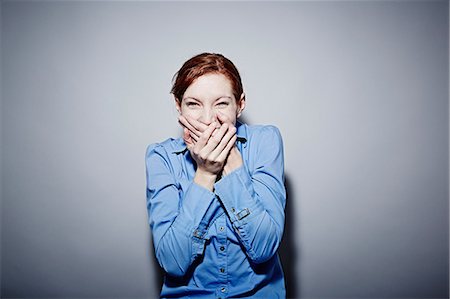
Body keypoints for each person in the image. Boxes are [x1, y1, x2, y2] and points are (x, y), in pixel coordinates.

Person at [145, 52, 286, 298]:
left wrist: (230, 162)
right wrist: (205, 173)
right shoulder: (161, 157)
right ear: (178, 106)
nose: (209, 119)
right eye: (193, 104)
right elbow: (173, 263)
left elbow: (264, 248)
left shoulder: (265, 141)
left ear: (240, 104)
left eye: (221, 103)